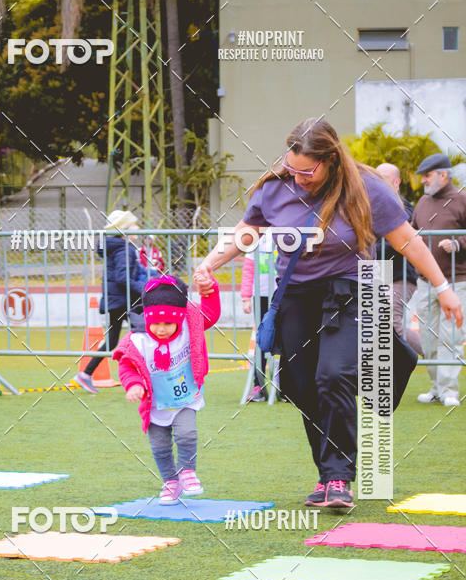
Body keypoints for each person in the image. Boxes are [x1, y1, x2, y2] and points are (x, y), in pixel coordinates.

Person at [193, 118, 463, 509]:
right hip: (296, 295)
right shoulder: (276, 189)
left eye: (306, 170)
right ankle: (326, 474)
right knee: (301, 386)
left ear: (330, 159)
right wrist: (208, 264)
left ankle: (339, 478)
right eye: (292, 168)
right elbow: (246, 233)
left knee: (332, 375)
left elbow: (407, 241)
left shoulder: (366, 189)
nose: (298, 177)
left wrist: (443, 287)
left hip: (351, 292)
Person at [113, 275, 221, 504]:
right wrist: (133, 384)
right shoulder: (139, 341)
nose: (161, 330)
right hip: (155, 404)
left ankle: (187, 471)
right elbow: (126, 366)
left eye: (168, 324)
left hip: (185, 398)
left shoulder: (188, 328)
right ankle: (171, 482)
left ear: (179, 320)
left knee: (187, 433)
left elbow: (210, 315)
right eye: (156, 324)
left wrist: (209, 291)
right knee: (160, 446)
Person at [411, 153, 466, 407]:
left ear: (444, 175)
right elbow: (411, 234)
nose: (423, 180)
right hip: (425, 283)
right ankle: (435, 388)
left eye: (428, 175)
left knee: (451, 335)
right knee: (428, 337)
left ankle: (449, 390)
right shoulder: (422, 202)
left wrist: (457, 243)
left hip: (457, 283)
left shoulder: (462, 200)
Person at [73, 210, 145, 393]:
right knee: (144, 333)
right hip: (124, 300)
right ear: (124, 229)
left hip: (118, 300)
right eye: (133, 224)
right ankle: (144, 376)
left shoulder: (119, 247)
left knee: (115, 340)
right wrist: (144, 289)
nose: (137, 227)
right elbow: (123, 278)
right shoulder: (124, 249)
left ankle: (85, 374)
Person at [374, 163, 422, 354]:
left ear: (397, 182)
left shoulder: (404, 206)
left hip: (400, 275)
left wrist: (373, 245)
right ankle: (431, 353)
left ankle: (421, 356)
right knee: (380, 322)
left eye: (383, 178)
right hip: (376, 275)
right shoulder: (369, 206)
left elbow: (398, 239)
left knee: (391, 319)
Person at [240, 235, 274, 401]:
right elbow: (248, 270)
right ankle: (258, 384)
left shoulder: (288, 232)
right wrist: (246, 297)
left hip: (285, 294)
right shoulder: (256, 240)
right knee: (262, 338)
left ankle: (288, 383)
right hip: (260, 295)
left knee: (289, 337)